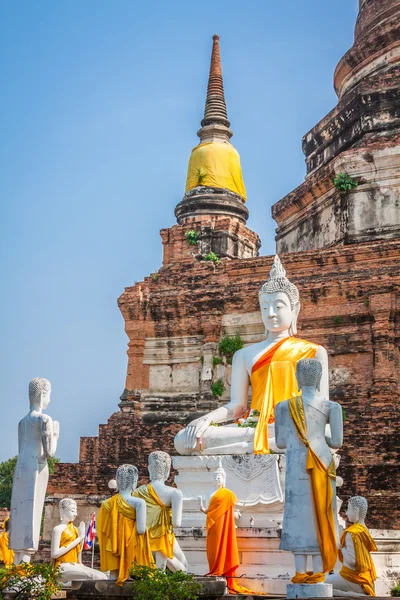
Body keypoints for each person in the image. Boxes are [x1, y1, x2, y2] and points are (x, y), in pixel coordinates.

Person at [174, 255, 328, 456]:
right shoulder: (244, 354)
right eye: (265, 307)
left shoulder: (314, 352)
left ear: (294, 309)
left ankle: (254, 446)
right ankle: (261, 445)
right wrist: (206, 419)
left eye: (279, 306)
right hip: (253, 425)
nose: (271, 313)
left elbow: (322, 405)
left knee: (322, 433)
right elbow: (237, 407)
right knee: (183, 439)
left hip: (295, 425)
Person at [275, 358, 343, 583]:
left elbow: (281, 442)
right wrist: (317, 437)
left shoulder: (283, 406)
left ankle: (299, 572)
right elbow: (336, 441)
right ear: (320, 378)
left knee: (298, 516)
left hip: (296, 465)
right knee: (320, 513)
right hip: (322, 464)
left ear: (297, 378)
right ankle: (319, 573)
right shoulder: (332, 407)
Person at [10, 378, 59, 563]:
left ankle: (17, 559)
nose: (49, 400)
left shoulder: (21, 422)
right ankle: (25, 562)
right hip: (37, 466)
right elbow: (49, 452)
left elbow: (20, 448)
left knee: (20, 510)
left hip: (21, 467)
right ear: (42, 395)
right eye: (49, 395)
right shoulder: (45, 419)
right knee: (33, 511)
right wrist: (55, 434)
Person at [198, 463, 257, 595]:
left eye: (220, 477)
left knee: (223, 546)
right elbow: (209, 511)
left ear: (224, 479)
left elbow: (229, 513)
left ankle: (223, 571)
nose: (218, 479)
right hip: (212, 526)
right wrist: (202, 509)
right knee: (212, 550)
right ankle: (214, 569)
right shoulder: (209, 493)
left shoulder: (228, 494)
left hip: (223, 526)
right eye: (216, 477)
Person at [97, 464, 153, 585]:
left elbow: (103, 530)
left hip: (114, 546)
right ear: (134, 481)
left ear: (117, 481)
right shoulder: (139, 502)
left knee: (112, 544)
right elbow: (141, 530)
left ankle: (114, 572)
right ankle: (130, 571)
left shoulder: (107, 503)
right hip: (131, 545)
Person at [133, 451, 188, 572]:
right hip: (163, 537)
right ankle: (164, 559)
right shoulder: (175, 493)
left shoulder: (138, 492)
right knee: (184, 569)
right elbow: (176, 523)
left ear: (149, 469)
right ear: (167, 470)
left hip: (143, 540)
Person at [326, 496, 377, 596]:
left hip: (352, 578)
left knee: (320, 585)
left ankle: (352, 595)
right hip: (365, 578)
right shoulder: (364, 530)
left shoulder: (352, 533)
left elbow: (352, 561)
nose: (346, 513)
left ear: (356, 511)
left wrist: (341, 547)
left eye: (349, 509)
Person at [51, 499, 107, 582]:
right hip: (62, 566)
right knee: (98, 577)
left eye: (76, 511)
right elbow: (54, 554)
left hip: (75, 564)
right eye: (73, 510)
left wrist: (81, 537)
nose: (75, 514)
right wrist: (79, 539)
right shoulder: (58, 529)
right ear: (63, 511)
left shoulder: (76, 530)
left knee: (103, 576)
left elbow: (78, 559)